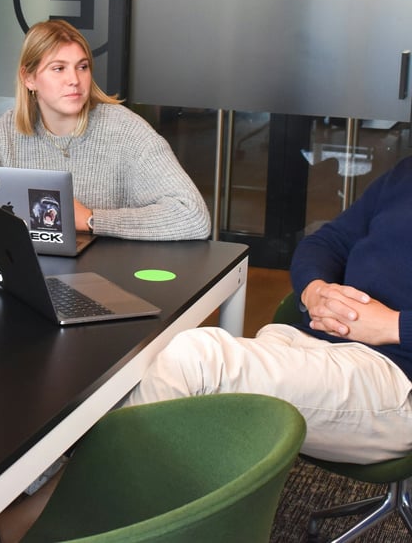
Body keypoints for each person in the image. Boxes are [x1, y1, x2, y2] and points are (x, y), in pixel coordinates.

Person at [124, 157, 412, 464]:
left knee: (192, 360)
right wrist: (315, 290)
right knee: (151, 370)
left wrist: (394, 326)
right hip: (315, 340)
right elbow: (327, 241)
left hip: (394, 376)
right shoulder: (405, 173)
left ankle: (113, 487)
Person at [0, 19, 211, 241]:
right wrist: (10, 214)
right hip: (31, 273)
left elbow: (193, 216)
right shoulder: (3, 134)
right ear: (29, 78)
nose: (74, 80)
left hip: (110, 277)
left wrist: (91, 219)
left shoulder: (126, 131)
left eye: (82, 66)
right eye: (59, 68)